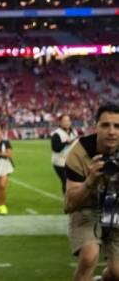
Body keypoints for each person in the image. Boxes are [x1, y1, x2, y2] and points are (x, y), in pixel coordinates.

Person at [65, 103, 119, 281]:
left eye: (117, 126)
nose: (112, 131)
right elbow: (69, 204)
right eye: (105, 125)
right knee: (89, 256)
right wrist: (90, 181)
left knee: (116, 272)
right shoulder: (79, 152)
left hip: (113, 205)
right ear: (95, 127)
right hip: (87, 206)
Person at [51, 114, 79, 193]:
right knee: (66, 182)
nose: (67, 123)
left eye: (68, 121)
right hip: (60, 163)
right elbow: (56, 148)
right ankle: (68, 200)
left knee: (73, 182)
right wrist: (66, 143)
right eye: (64, 121)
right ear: (59, 123)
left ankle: (72, 198)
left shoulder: (74, 132)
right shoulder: (56, 134)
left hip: (72, 162)